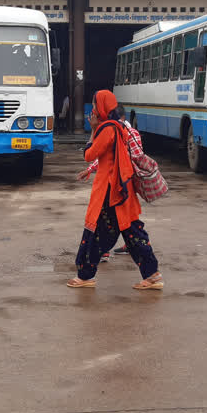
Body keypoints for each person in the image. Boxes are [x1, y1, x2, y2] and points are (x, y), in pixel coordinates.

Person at [67, 90, 163, 290]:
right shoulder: (120, 127)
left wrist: (93, 130)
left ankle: (85, 276)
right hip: (123, 189)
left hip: (110, 192)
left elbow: (89, 154)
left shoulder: (107, 129)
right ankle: (152, 275)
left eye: (95, 105)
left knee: (96, 234)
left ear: (101, 107)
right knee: (133, 232)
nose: (93, 110)